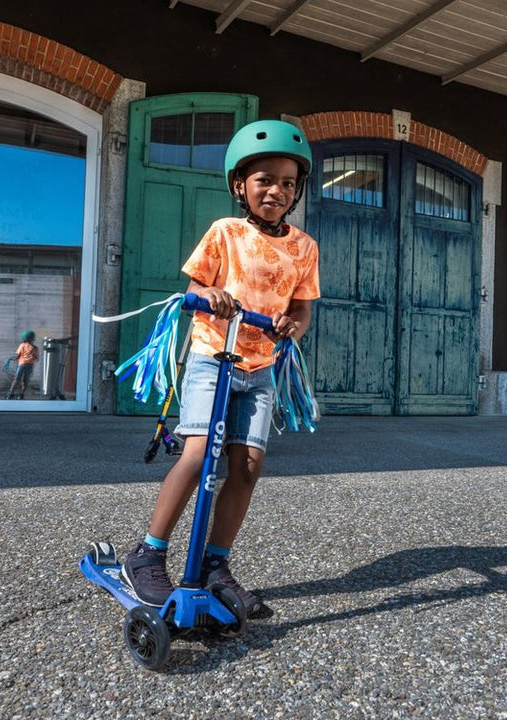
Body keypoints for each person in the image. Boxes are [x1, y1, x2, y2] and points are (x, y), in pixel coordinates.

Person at [121, 120, 321, 616]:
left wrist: (291, 328)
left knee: (247, 466)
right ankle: (148, 553)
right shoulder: (225, 232)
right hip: (213, 355)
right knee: (198, 455)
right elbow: (193, 290)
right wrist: (209, 294)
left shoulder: (304, 247)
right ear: (239, 185)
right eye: (264, 180)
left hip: (261, 367)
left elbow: (301, 310)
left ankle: (215, 564)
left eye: (288, 183)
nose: (276, 191)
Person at [6, 330, 39, 399]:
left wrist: (13, 359)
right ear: (33, 338)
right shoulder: (36, 348)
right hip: (30, 365)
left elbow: (17, 356)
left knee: (16, 379)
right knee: (25, 381)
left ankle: (10, 393)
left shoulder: (22, 345)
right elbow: (37, 359)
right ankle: (22, 395)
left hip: (22, 364)